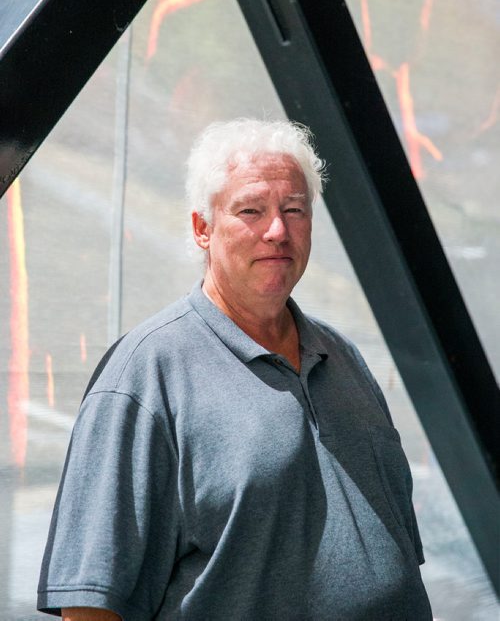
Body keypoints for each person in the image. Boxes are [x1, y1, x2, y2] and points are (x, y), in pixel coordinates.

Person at [38, 118, 432, 620]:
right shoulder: (145, 376)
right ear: (203, 228)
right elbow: (90, 607)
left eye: (295, 209)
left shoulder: (343, 357)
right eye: (251, 210)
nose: (278, 231)